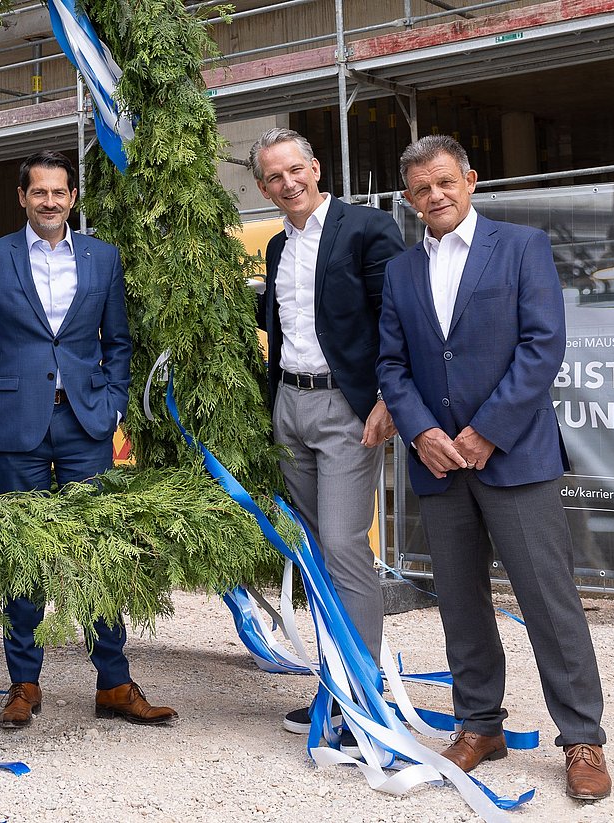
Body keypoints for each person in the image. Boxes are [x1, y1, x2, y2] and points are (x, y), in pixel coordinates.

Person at [375, 134, 611, 801]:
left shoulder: (523, 247)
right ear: (408, 198)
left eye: (445, 182)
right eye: (421, 189)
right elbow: (391, 363)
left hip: (515, 455)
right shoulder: (400, 271)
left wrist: (486, 432)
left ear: (471, 180)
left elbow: (543, 346)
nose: (435, 196)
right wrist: (421, 432)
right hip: (439, 465)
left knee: (548, 600)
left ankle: (583, 737)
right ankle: (481, 724)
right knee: (460, 600)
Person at [0, 151, 174, 731]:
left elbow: (117, 339)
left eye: (60, 192)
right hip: (20, 425)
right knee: (24, 555)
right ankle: (24, 683)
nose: (50, 201)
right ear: (22, 197)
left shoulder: (102, 258)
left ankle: (114, 683)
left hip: (86, 424)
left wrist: (112, 399)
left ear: (73, 197)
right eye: (39, 192)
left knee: (99, 552)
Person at [245, 128, 404, 736]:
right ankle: (334, 686)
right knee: (315, 555)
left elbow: (397, 316)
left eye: (295, 170)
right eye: (274, 178)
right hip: (290, 404)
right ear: (263, 188)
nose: (288, 184)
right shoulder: (278, 249)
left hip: (346, 409)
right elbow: (281, 323)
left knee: (343, 546)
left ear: (316, 167)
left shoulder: (365, 229)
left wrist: (390, 396)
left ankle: (363, 693)